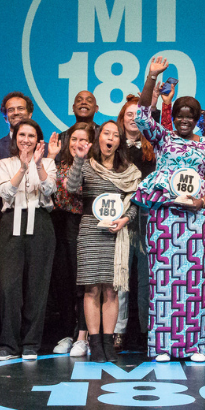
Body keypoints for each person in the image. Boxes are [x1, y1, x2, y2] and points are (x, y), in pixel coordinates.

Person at [134, 56, 205, 362]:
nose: (185, 121)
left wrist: (202, 202)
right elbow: (142, 115)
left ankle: (194, 346)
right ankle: (162, 346)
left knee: (192, 280)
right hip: (163, 217)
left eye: (191, 116)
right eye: (180, 115)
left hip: (196, 218)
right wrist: (151, 77)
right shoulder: (163, 138)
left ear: (198, 119)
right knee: (163, 279)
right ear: (174, 116)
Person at [65, 120, 141, 362]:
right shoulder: (87, 165)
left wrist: (125, 220)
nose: (110, 137)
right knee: (92, 288)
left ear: (119, 141)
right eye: (106, 133)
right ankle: (94, 343)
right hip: (90, 230)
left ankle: (108, 342)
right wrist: (78, 159)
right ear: (99, 138)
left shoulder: (128, 171)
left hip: (115, 233)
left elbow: (134, 205)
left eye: (115, 135)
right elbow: (72, 187)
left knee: (111, 288)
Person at [0, 119, 57, 361]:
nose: (26, 140)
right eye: (22, 135)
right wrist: (22, 167)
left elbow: (49, 190)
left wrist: (38, 165)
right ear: (15, 138)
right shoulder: (5, 163)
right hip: (12, 223)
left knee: (37, 287)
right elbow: (5, 193)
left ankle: (31, 343)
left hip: (40, 222)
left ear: (38, 140)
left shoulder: (48, 162)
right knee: (9, 287)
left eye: (31, 136)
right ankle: (8, 344)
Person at [47, 122, 94, 357]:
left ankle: (82, 335)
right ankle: (66, 333)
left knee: (81, 283)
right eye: (74, 139)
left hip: (81, 224)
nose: (77, 144)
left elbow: (76, 191)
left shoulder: (92, 165)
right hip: (58, 223)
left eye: (83, 140)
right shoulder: (57, 162)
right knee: (63, 282)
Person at [113, 96, 156, 351]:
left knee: (146, 278)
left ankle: (146, 330)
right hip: (121, 218)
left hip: (148, 218)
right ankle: (119, 330)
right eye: (128, 114)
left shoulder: (152, 148)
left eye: (137, 115)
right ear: (122, 118)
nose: (132, 118)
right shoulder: (115, 147)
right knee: (121, 277)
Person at [0, 92, 34, 159]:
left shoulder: (46, 149)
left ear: (30, 115)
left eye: (20, 108)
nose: (16, 113)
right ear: (5, 118)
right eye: (11, 110)